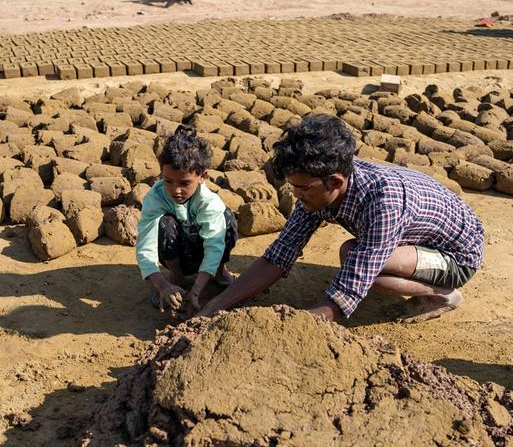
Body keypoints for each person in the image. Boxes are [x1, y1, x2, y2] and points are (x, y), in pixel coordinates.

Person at [199, 114, 484, 324]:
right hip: (414, 238)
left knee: (363, 264)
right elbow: (279, 255)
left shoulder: (384, 203)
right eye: (293, 187)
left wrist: (293, 326)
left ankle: (444, 293)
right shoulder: (316, 186)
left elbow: (347, 292)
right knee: (353, 253)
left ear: (335, 182)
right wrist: (217, 304)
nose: (296, 195)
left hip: (457, 256)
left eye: (302, 188)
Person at [136, 126, 237, 314]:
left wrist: (197, 288)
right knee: (165, 223)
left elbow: (214, 244)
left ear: (202, 176)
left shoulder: (209, 202)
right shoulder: (155, 197)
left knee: (227, 218)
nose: (175, 190)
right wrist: (162, 285)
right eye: (168, 181)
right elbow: (145, 247)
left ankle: (219, 273)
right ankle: (177, 277)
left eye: (184, 183)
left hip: (202, 250)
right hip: (177, 253)